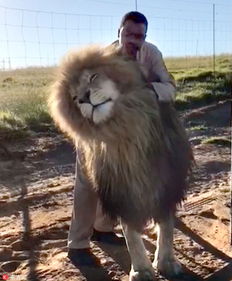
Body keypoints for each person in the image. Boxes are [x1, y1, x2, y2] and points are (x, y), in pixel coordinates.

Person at [68, 11, 176, 266]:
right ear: (119, 33)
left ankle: (104, 229)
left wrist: (148, 88)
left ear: (145, 37)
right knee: (88, 182)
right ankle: (78, 244)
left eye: (139, 36)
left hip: (134, 130)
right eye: (128, 34)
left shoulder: (151, 54)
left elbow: (170, 88)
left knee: (120, 182)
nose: (133, 41)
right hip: (97, 128)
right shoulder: (103, 60)